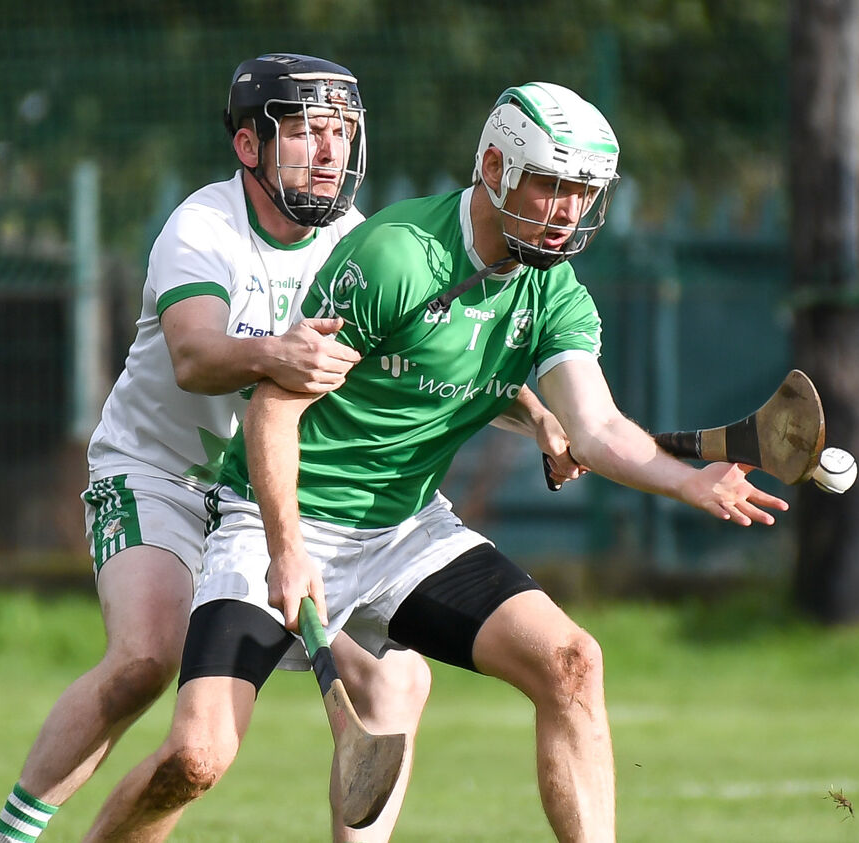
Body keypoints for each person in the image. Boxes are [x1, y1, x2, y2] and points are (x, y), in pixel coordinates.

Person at [80, 82, 784, 843]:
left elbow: (601, 426)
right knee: (197, 756)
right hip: (275, 518)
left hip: (405, 532)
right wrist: (286, 550)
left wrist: (690, 479)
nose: (565, 214)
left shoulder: (554, 293)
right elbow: (273, 410)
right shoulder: (396, 256)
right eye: (550, 186)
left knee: (573, 661)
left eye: (583, 194)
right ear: (493, 165)